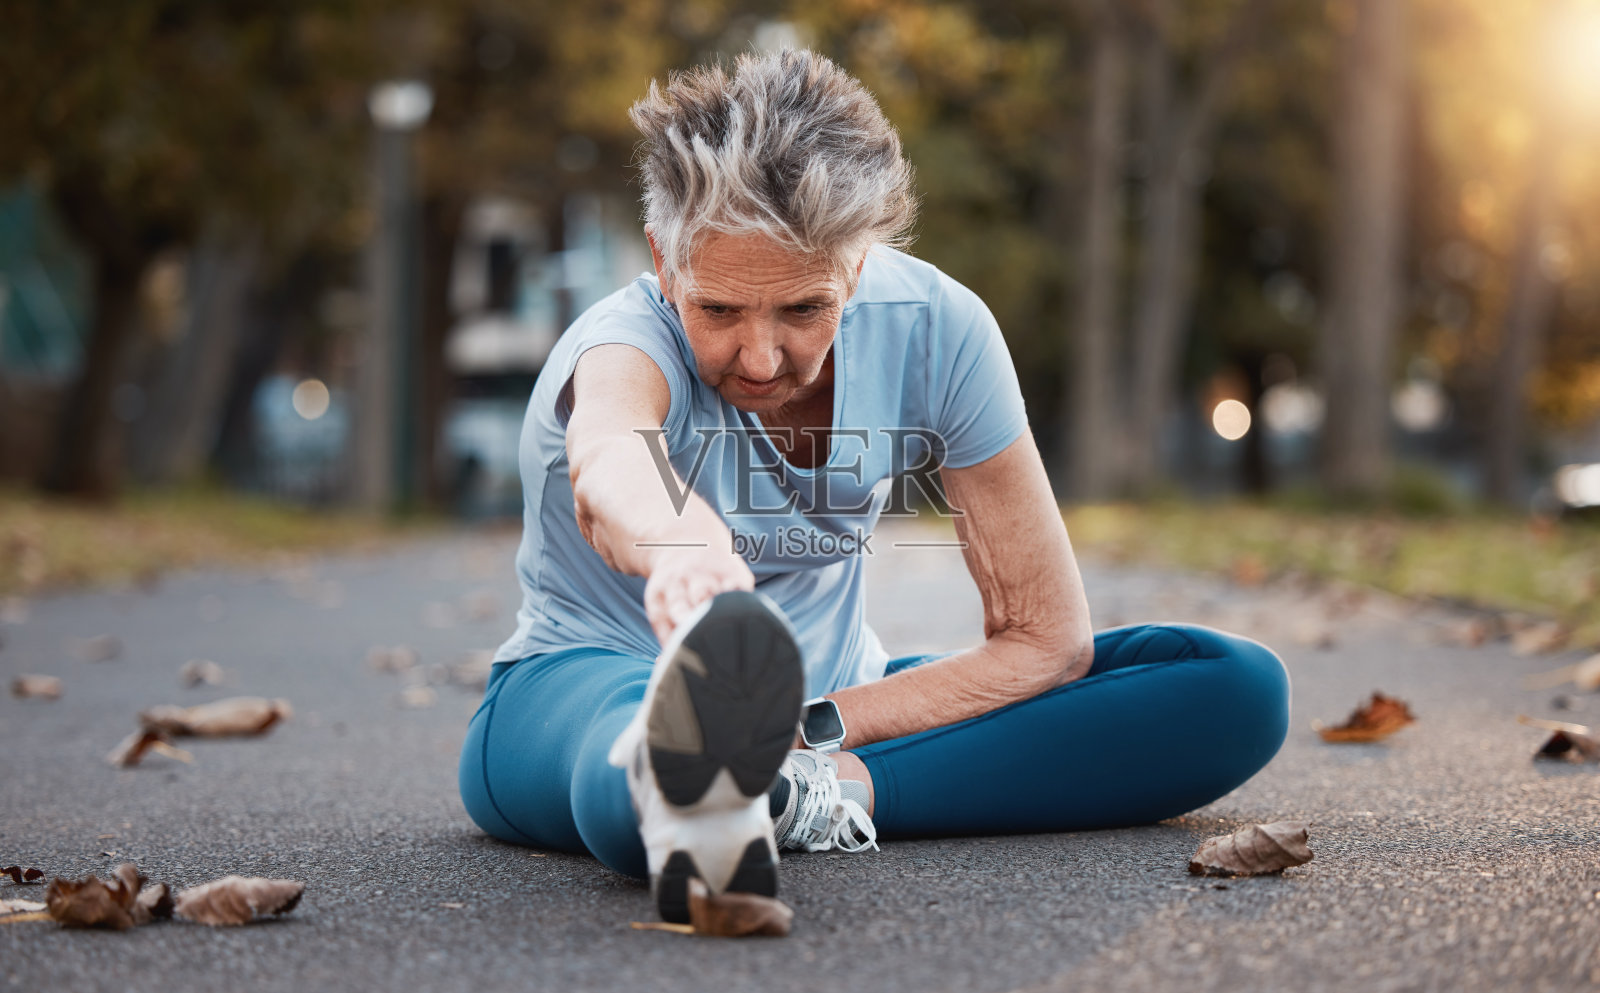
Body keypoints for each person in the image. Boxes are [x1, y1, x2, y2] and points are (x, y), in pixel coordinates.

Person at [458, 49, 1290, 925]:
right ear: (667, 266)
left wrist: (818, 724)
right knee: (641, 783)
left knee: (1232, 686)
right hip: (583, 689)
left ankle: (799, 790)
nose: (761, 357)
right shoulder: (622, 340)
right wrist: (684, 549)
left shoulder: (939, 328)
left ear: (856, 268)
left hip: (836, 701)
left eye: (804, 309)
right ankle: (728, 785)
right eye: (719, 312)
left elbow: (1046, 639)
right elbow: (610, 450)